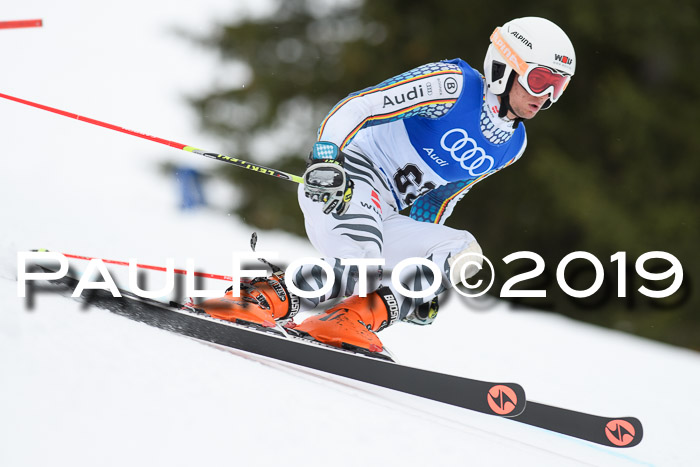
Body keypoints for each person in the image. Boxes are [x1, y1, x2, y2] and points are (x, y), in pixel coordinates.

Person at [200, 16, 576, 356]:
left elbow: (442, 196)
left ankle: (349, 320)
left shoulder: (513, 145)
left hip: (385, 213)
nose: (545, 96)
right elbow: (360, 105)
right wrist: (327, 158)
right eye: (540, 80)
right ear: (504, 66)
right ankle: (258, 299)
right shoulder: (454, 85)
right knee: (361, 263)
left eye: (558, 87)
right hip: (349, 180)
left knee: (464, 253)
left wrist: (423, 283)